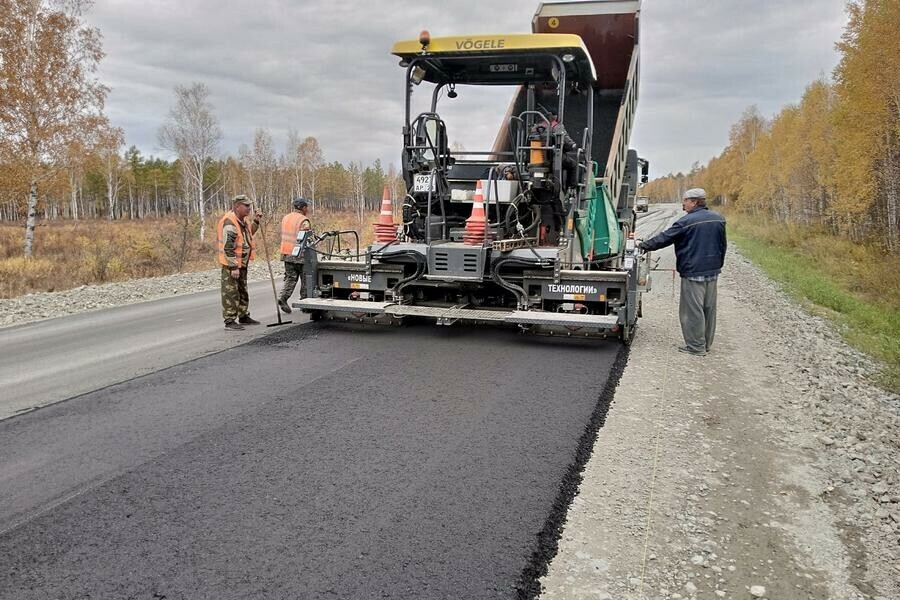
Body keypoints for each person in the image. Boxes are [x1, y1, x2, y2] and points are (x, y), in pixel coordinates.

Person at [639, 188, 726, 355]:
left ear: (694, 202)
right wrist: (718, 264)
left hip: (693, 272)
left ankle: (695, 347)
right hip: (713, 272)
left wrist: (643, 246)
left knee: (693, 310)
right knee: (709, 308)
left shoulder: (686, 222)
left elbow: (664, 238)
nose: (683, 203)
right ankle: (706, 344)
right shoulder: (719, 219)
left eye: (685, 200)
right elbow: (723, 246)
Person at [216, 195, 262, 331]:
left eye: (250, 206)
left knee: (242, 290)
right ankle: (229, 320)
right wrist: (233, 266)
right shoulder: (230, 223)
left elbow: (248, 234)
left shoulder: (242, 220)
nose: (249, 208)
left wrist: (256, 222)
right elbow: (228, 247)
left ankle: (243, 315)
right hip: (232, 265)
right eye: (246, 206)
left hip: (242, 263)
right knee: (231, 292)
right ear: (237, 206)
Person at [277, 197, 311, 313]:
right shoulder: (303, 220)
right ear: (302, 208)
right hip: (300, 254)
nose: (307, 209)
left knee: (290, 278)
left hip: (287, 253)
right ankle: (304, 303)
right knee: (306, 279)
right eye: (306, 207)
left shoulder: (286, 218)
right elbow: (307, 237)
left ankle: (283, 298)